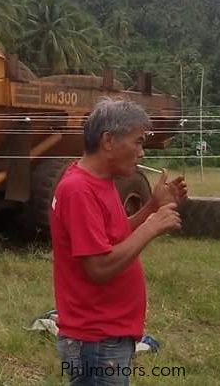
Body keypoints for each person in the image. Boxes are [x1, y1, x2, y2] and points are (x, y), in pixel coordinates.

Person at [51, 98, 188, 385]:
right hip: (97, 341)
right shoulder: (78, 190)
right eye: (137, 142)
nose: (141, 152)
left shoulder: (100, 180)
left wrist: (152, 206)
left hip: (108, 336)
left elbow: (113, 237)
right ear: (109, 141)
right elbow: (99, 267)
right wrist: (152, 227)